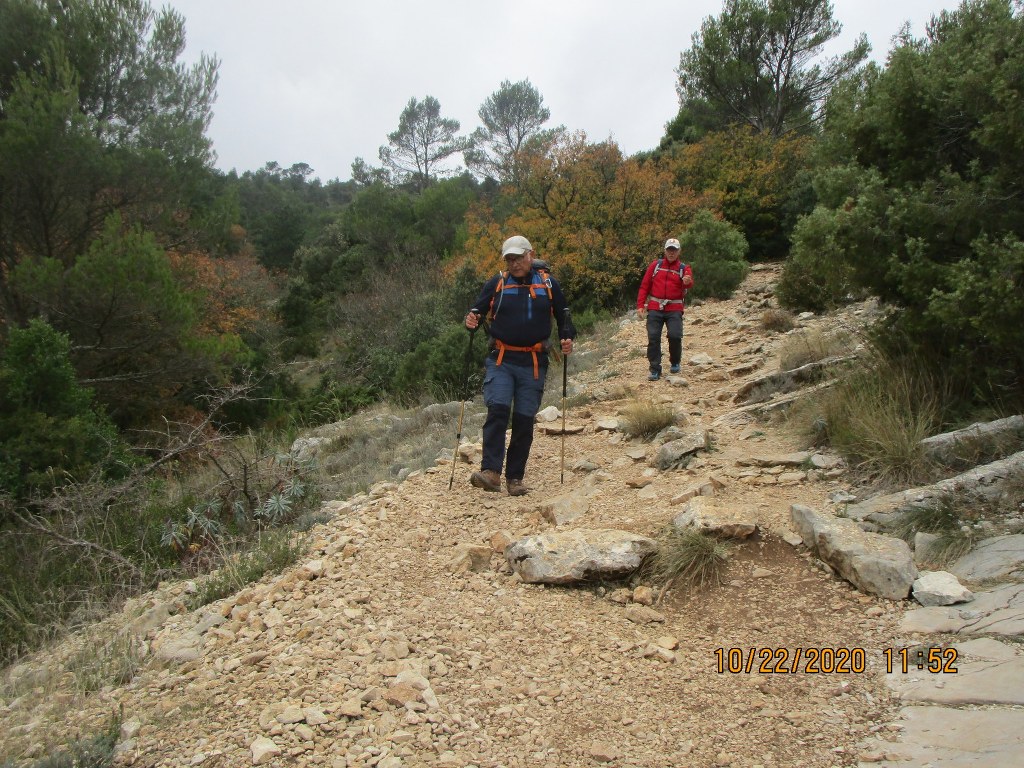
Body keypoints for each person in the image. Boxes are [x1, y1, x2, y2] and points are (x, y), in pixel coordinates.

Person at [464, 235, 575, 496]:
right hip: (502, 359)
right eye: (509, 259)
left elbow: (564, 315)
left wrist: (567, 336)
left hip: (534, 362)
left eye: (518, 258)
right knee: (498, 411)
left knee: (524, 421)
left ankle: (515, 478)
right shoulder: (497, 283)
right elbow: (478, 312)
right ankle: (491, 472)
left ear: (530, 255)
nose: (514, 264)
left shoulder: (548, 283)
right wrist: (472, 319)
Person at [636, 237, 694, 381]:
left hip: (674, 307)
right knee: (653, 337)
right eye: (669, 249)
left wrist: (687, 281)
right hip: (655, 306)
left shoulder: (683, 268)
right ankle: (655, 369)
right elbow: (644, 286)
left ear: (679, 251)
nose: (671, 253)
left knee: (675, 336)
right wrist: (640, 305)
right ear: (665, 250)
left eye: (674, 250)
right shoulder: (655, 265)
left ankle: (675, 361)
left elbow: (689, 283)